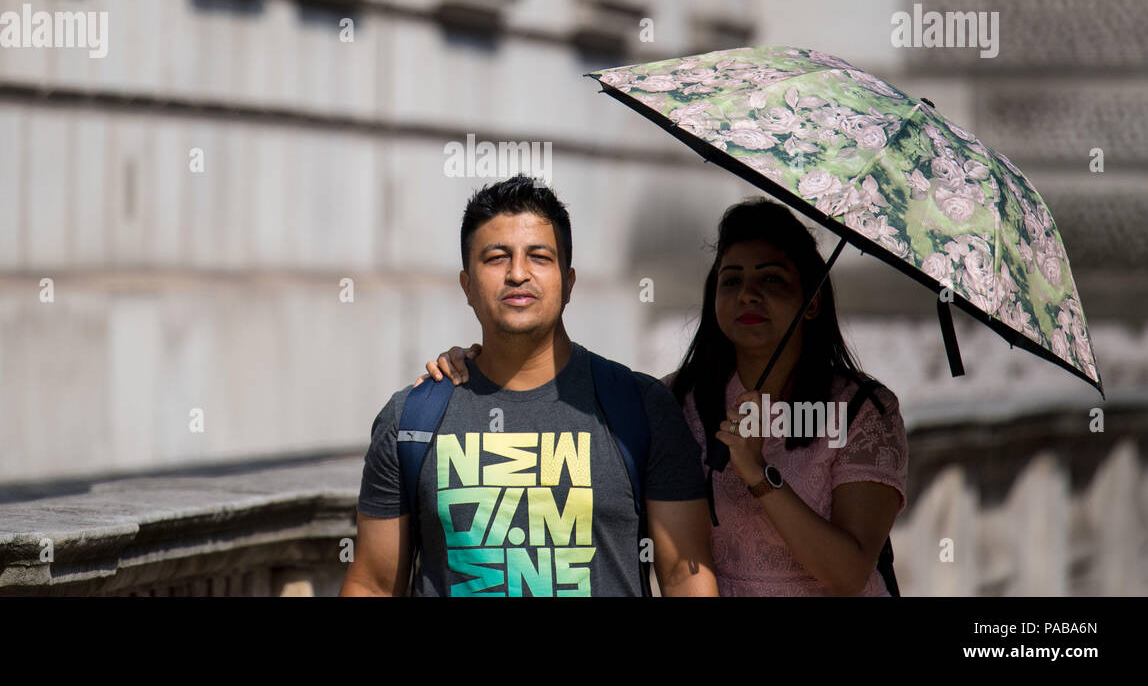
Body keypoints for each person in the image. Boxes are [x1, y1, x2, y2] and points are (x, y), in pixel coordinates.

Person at [425, 197, 908, 596]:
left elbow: (848, 573)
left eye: (772, 281)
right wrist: (484, 366)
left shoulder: (862, 413)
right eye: (732, 280)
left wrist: (760, 475)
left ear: (813, 302)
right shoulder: (674, 400)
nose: (749, 296)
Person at [340, 175, 718, 597]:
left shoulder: (641, 407)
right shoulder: (411, 419)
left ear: (568, 282)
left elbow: (685, 575)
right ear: (467, 285)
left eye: (539, 256)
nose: (517, 273)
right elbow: (372, 584)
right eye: (496, 257)